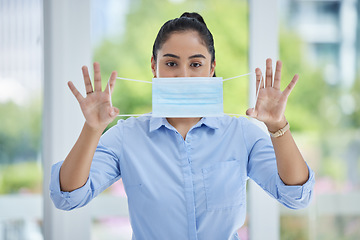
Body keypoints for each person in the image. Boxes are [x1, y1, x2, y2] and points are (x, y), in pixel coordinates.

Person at [50, 12, 315, 239]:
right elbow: (68, 197)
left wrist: (277, 125)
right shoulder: (126, 136)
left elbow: (296, 196)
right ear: (154, 67)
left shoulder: (241, 134)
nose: (183, 75)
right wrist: (92, 129)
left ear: (212, 68)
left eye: (196, 64)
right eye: (171, 63)